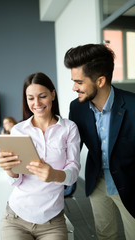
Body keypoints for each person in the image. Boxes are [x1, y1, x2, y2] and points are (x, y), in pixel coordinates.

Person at [0, 72, 81, 240]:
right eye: (30, 98)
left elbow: (73, 173)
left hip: (52, 221)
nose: (36, 103)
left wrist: (54, 175)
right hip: (16, 217)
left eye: (42, 96)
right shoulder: (18, 130)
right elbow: (16, 181)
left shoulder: (68, 128)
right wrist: (9, 170)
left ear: (53, 94)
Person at [64, 44, 135, 240]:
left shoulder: (133, 106)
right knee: (104, 234)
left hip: (130, 183)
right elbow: (72, 147)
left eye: (79, 81)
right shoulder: (76, 107)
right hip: (97, 182)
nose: (74, 87)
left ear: (101, 80)